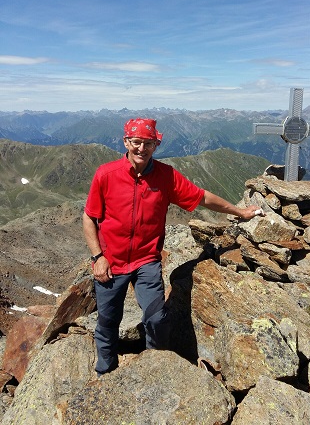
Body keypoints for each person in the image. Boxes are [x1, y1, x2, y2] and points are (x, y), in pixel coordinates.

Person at [83, 118, 264, 376]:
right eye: (136, 142)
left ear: (156, 145)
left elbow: (202, 197)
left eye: (148, 143)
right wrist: (97, 256)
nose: (141, 149)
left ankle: (155, 369)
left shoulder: (166, 176)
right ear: (126, 142)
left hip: (146, 260)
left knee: (156, 318)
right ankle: (105, 372)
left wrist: (239, 211)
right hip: (111, 261)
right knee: (108, 321)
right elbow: (89, 216)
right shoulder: (106, 174)